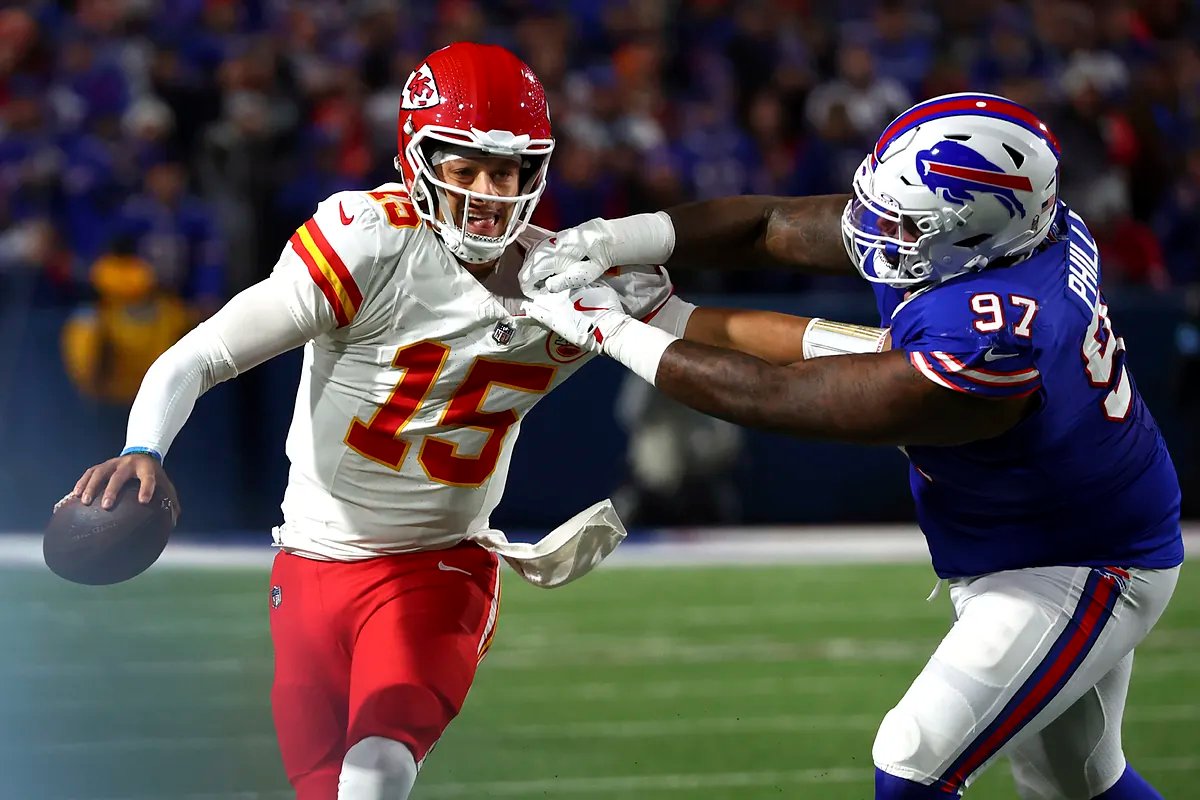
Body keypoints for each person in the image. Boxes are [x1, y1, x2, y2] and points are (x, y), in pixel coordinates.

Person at [67, 43, 880, 800]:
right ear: (418, 162)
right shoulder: (367, 243)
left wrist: (876, 346)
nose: (491, 195)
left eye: (511, 171)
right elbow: (198, 356)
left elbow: (729, 333)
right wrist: (144, 445)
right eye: (471, 169)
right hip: (309, 563)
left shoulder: (567, 273)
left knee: (377, 766)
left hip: (438, 568)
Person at [523, 93, 1183, 800]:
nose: (874, 229)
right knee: (1077, 782)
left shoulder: (993, 337)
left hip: (1079, 560)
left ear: (976, 233)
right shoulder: (998, 240)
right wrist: (614, 243)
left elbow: (781, 396)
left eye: (902, 219)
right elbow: (771, 226)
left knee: (912, 762)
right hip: (1048, 515)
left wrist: (614, 332)